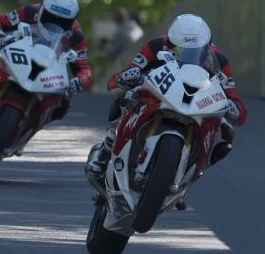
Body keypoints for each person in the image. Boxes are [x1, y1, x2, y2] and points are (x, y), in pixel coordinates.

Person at [85, 13, 247, 183]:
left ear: (207, 46)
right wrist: (129, 75)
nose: (187, 53)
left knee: (226, 131)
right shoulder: (156, 45)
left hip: (197, 103)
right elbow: (122, 76)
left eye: (196, 49)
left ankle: (195, 169)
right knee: (127, 97)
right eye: (179, 48)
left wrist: (231, 106)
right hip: (158, 95)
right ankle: (106, 149)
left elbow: (236, 104)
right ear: (170, 42)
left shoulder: (219, 60)